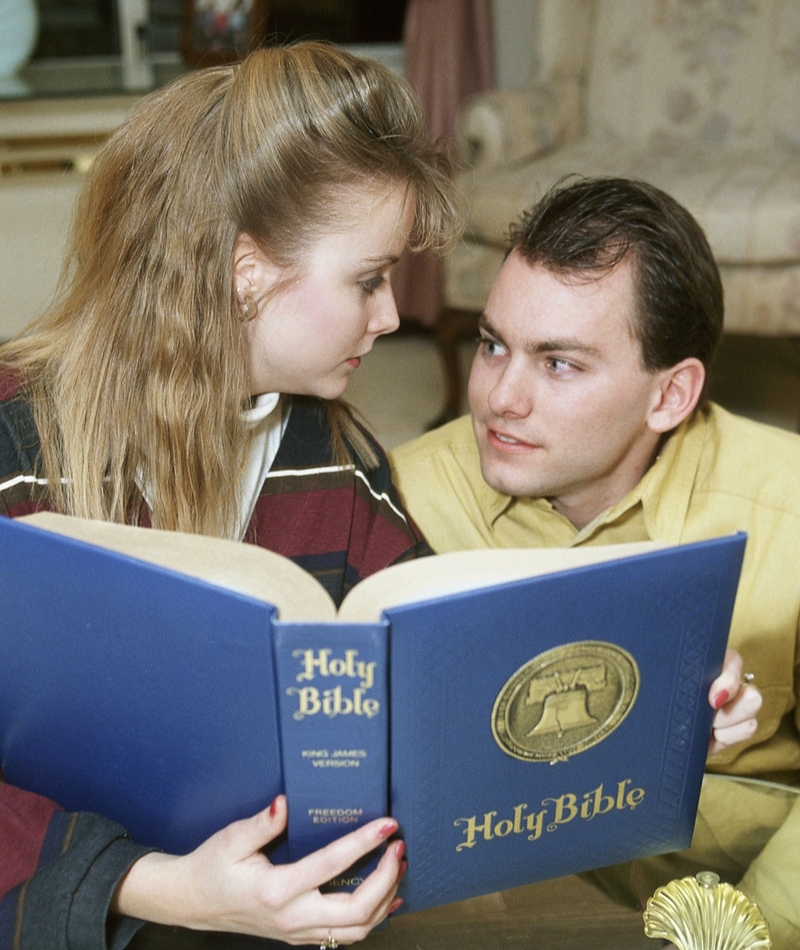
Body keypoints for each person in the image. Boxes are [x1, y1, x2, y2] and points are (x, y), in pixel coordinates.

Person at [0, 41, 461, 949]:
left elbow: (429, 664)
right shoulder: (13, 445)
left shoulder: (332, 457)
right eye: (369, 279)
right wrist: (161, 888)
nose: (392, 317)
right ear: (247, 270)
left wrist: (650, 694)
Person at [390, 177, 798, 946]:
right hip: (478, 898)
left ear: (671, 395)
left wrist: (749, 936)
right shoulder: (400, 496)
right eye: (492, 345)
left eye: (560, 364)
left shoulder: (792, 515)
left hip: (734, 896)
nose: (500, 398)